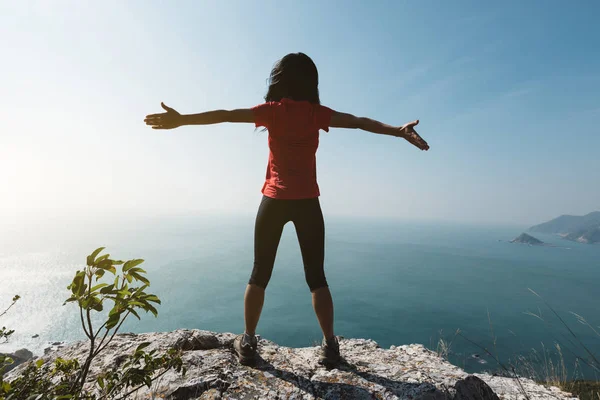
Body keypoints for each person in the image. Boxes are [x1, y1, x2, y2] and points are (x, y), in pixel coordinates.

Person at [144, 52, 429, 367]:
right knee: (317, 278)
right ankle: (330, 347)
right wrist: (398, 131)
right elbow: (360, 123)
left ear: (279, 80)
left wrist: (182, 119)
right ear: (311, 82)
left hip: (274, 201)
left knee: (259, 273)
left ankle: (249, 341)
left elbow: (224, 114)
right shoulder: (316, 114)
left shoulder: (272, 112)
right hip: (308, 202)